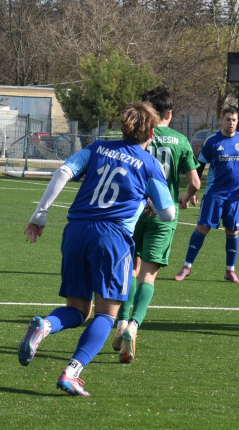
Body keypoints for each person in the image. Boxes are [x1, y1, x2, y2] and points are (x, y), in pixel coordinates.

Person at [18, 101, 175, 396]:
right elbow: (168, 214)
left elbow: (63, 172)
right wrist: (147, 203)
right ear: (151, 131)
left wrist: (40, 214)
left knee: (78, 310)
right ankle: (71, 372)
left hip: (76, 230)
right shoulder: (149, 163)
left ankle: (46, 326)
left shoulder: (98, 148)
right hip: (112, 238)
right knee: (106, 314)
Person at [112, 86, 200, 364]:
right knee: (148, 275)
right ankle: (135, 326)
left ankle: (121, 323)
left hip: (134, 212)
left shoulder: (136, 138)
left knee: (130, 269)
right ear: (170, 113)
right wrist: (185, 197)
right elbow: (195, 182)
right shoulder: (180, 140)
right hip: (163, 215)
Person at [173, 106, 239, 284]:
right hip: (214, 194)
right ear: (222, 121)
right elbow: (200, 166)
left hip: (235, 196)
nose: (231, 123)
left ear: (237, 121)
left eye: (234, 120)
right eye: (228, 119)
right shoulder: (212, 141)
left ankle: (230, 271)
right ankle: (186, 267)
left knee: (232, 231)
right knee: (202, 228)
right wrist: (193, 189)